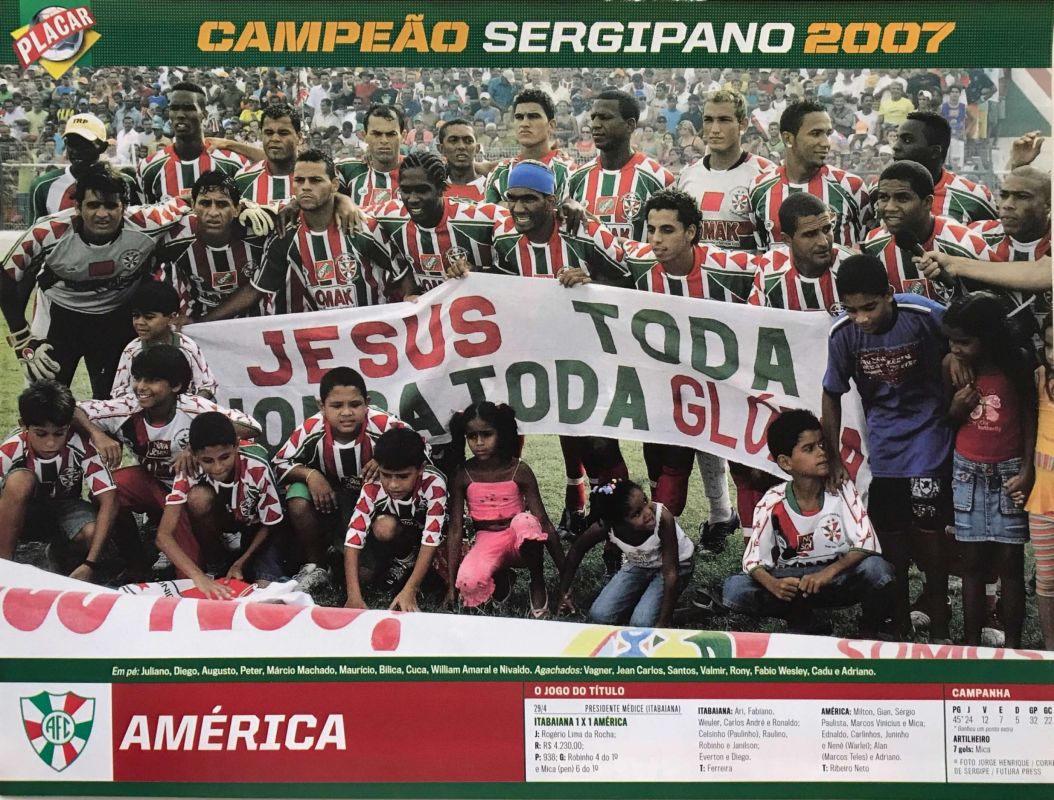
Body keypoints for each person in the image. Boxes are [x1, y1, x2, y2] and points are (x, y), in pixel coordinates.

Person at [489, 160, 630, 535]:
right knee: (508, 428)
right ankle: (509, 514)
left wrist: (592, 281)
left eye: (530, 199)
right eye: (513, 198)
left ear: (552, 201)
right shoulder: (503, 239)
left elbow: (630, 280)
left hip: (587, 354)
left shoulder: (585, 231)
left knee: (598, 443)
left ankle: (613, 523)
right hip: (531, 352)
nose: (519, 207)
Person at [822, 254, 954, 640]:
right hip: (884, 447)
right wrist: (833, 457)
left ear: (889, 294)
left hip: (931, 437)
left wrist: (955, 359)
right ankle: (898, 621)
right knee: (890, 536)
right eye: (852, 309)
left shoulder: (924, 315)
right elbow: (831, 393)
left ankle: (939, 619)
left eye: (869, 307)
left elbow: (965, 337)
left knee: (930, 533)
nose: (861, 318)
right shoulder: (843, 333)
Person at [0, 162, 189, 398]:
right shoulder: (47, 232)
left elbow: (185, 202)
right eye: (93, 205)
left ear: (124, 207)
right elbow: (5, 277)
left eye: (111, 205)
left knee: (116, 398)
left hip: (116, 317)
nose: (102, 214)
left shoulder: (147, 222)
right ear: (77, 207)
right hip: (61, 316)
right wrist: (21, 337)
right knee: (45, 398)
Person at [625, 189, 755, 530]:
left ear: (692, 232)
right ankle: (664, 540)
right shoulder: (639, 262)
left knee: (745, 466)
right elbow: (603, 257)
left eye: (667, 230)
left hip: (728, 378)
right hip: (671, 383)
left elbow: (777, 271)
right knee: (670, 463)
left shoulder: (731, 269)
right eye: (651, 230)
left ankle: (749, 541)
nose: (656, 239)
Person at [75, 345, 261, 580]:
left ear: (176, 386)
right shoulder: (126, 407)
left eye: (152, 380)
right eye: (138, 378)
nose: (141, 387)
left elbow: (252, 427)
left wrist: (195, 442)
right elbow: (72, 408)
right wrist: (96, 433)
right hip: (153, 483)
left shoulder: (193, 407)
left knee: (187, 569)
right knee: (106, 490)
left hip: (189, 491)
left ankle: (216, 558)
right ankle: (136, 562)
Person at [721, 410, 894, 637]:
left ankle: (870, 627)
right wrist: (774, 585)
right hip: (791, 582)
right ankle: (802, 619)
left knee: (877, 569)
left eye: (822, 445)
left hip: (836, 578)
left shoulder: (841, 488)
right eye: (809, 449)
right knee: (734, 589)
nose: (822, 453)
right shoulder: (772, 500)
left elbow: (866, 543)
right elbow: (753, 561)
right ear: (785, 462)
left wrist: (827, 573)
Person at [942, 292, 1035, 647]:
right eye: (951, 340)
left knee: (1010, 562)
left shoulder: (1017, 364)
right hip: (967, 472)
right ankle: (970, 644)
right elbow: (946, 420)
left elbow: (1029, 417)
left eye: (964, 341)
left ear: (989, 337)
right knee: (972, 562)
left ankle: (1013, 648)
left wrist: (1027, 469)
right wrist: (956, 408)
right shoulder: (952, 365)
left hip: (1009, 472)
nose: (956, 347)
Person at [272, 366, 411, 592]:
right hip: (332, 500)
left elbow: (420, 447)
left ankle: (393, 558)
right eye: (337, 406)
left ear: (367, 403)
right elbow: (279, 462)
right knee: (297, 497)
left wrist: (386, 458)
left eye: (354, 404)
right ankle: (317, 565)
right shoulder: (311, 428)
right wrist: (311, 475)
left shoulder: (384, 424)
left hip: (376, 503)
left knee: (364, 576)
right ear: (322, 406)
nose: (346, 412)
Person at [445, 401, 563, 616]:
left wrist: (565, 576)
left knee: (526, 522)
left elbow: (544, 522)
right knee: (468, 583)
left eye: (486, 434)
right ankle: (502, 578)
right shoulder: (463, 474)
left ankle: (537, 581)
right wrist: (451, 586)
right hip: (487, 539)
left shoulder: (519, 470)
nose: (479, 443)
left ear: (501, 433)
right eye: (472, 436)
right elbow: (455, 529)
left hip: (518, 537)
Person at [243, 149, 392, 314]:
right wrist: (216, 320)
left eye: (315, 180)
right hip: (319, 328)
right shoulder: (284, 231)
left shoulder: (363, 226)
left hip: (368, 326)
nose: (306, 187)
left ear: (334, 184)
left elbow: (400, 272)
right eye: (299, 180)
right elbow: (257, 288)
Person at [0, 380, 119, 581]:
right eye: (41, 433)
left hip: (65, 506)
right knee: (20, 481)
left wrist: (90, 563)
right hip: (24, 512)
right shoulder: (10, 449)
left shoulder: (82, 445)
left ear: (68, 427)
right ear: (24, 426)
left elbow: (110, 500)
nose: (50, 443)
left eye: (59, 433)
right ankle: (5, 569)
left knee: (92, 533)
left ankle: (58, 555)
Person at [159, 412, 286, 596]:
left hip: (257, 529)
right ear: (193, 455)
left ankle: (242, 562)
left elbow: (270, 523)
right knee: (198, 498)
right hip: (224, 520)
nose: (218, 467)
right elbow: (163, 536)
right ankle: (217, 562)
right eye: (207, 461)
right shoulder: (189, 467)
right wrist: (198, 576)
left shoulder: (256, 465)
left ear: (236, 445)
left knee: (265, 590)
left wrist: (241, 562)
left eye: (225, 457)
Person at [557, 478, 694, 628]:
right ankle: (644, 603)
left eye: (645, 501)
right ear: (619, 523)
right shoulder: (607, 527)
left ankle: (679, 611)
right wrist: (563, 591)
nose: (648, 512)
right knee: (599, 615)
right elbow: (576, 550)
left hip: (677, 565)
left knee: (641, 622)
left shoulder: (663, 519)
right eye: (637, 513)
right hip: (640, 564)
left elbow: (671, 574)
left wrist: (663, 622)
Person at [372, 151, 506, 301]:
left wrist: (478, 272)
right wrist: (409, 292)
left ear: (442, 188)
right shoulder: (390, 215)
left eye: (422, 190)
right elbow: (356, 215)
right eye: (406, 190)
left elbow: (515, 264)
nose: (412, 199)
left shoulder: (480, 218)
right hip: (429, 313)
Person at [343, 427, 447, 612]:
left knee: (447, 577)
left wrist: (410, 590)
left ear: (421, 468)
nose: (393, 484)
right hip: (404, 531)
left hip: (438, 536)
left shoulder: (434, 483)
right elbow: (354, 537)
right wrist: (353, 596)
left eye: (403, 476)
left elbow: (431, 539)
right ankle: (406, 560)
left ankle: (424, 571)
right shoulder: (373, 485)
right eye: (386, 475)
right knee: (383, 528)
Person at [863, 159, 994, 303]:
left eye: (902, 198)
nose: (889, 207)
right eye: (883, 197)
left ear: (927, 202)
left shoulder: (966, 244)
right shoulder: (874, 244)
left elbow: (999, 304)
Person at [154, 171, 270, 323]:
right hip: (196, 321)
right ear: (193, 206)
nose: (213, 213)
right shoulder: (174, 236)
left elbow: (291, 207)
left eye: (222, 204)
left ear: (237, 209)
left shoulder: (259, 232)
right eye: (205, 203)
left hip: (254, 321)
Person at [749, 100, 869, 248]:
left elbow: (863, 246)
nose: (826, 143)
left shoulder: (851, 186)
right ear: (788, 138)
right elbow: (762, 249)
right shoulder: (759, 188)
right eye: (815, 134)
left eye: (827, 134)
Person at [568, 90, 674, 242]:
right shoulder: (577, 178)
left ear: (630, 125)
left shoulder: (659, 179)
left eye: (605, 117)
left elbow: (671, 243)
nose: (595, 125)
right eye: (593, 118)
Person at [137, 82, 248, 202]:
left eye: (188, 108)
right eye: (174, 108)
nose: (180, 115)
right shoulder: (149, 167)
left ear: (204, 114)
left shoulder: (233, 164)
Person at [748, 192, 855, 315]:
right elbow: (755, 319)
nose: (824, 242)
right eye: (810, 234)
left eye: (827, 229)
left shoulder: (851, 267)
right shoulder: (770, 268)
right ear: (787, 239)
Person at [109, 282, 216, 400]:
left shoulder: (187, 346)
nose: (139, 322)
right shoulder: (132, 350)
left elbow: (207, 386)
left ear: (172, 317)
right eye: (136, 316)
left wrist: (189, 406)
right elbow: (119, 392)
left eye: (149, 317)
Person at [28, 113, 140, 222]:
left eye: (85, 144)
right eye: (72, 143)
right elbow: (35, 232)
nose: (77, 150)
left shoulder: (124, 183)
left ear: (102, 147)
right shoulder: (43, 186)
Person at [891, 112, 997, 224]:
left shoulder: (973, 197)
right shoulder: (881, 192)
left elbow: (997, 233)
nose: (895, 146)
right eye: (897, 139)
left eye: (907, 140)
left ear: (935, 152)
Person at [484, 89, 575, 204]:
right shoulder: (499, 173)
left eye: (533, 116)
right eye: (519, 117)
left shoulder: (570, 172)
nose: (524, 124)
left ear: (551, 125)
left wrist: (503, 205)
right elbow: (488, 211)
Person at [1027, 316, 1054, 649]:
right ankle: (1050, 650)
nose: (1052, 355)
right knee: (1047, 579)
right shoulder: (1038, 378)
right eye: (1048, 345)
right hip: (1044, 498)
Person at [335, 104, 405, 208]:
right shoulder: (347, 169)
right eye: (376, 134)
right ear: (364, 136)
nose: (384, 140)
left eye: (391, 134)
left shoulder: (418, 170)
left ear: (403, 136)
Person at [234, 103, 303, 204]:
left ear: (299, 138)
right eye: (269, 133)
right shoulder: (243, 179)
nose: (275, 139)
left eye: (283, 133)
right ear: (261, 135)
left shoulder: (316, 178)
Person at [438, 117, 487, 203]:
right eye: (453, 141)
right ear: (441, 149)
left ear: (477, 148)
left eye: (468, 141)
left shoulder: (491, 188)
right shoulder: (434, 191)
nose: (461, 146)